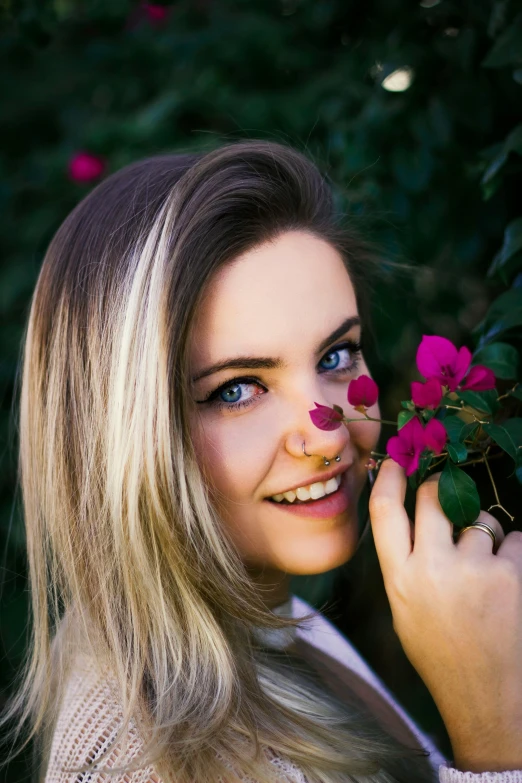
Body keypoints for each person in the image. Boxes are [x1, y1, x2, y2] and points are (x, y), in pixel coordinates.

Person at [1, 140, 521, 783]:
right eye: (237, 389)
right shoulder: (135, 760)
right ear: (124, 438)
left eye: (336, 356)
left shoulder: (270, 621)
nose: (328, 437)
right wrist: (499, 735)